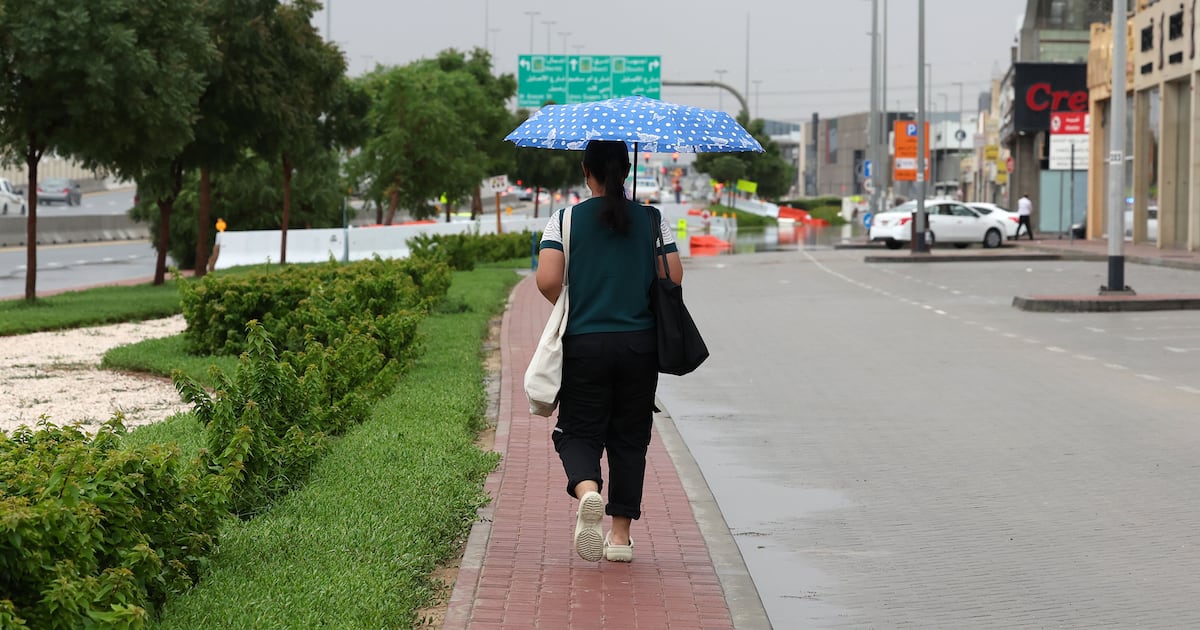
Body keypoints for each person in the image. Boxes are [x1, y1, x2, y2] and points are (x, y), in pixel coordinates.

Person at [536, 139, 681, 563]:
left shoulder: (563, 220)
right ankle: (619, 539)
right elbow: (673, 275)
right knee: (630, 439)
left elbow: (547, 280)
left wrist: (577, 299)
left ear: (586, 172)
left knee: (578, 431)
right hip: (639, 346)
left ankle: (587, 491)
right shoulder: (653, 220)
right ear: (628, 170)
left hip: (585, 343)